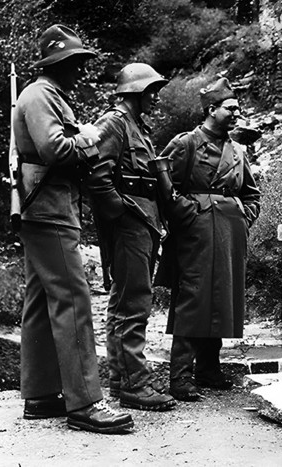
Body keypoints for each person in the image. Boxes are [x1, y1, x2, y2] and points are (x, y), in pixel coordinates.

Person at [12, 24, 133, 433]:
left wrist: (79, 135)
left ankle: (42, 394)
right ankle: (85, 403)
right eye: (75, 63)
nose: (80, 71)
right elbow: (53, 148)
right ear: (57, 63)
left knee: (41, 302)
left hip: (43, 208)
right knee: (73, 300)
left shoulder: (44, 94)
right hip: (49, 210)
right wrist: (91, 138)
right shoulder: (43, 94)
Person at [155, 77, 261, 401]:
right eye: (230, 108)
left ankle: (209, 370)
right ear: (211, 109)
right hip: (195, 235)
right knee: (194, 298)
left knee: (219, 299)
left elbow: (253, 194)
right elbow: (162, 183)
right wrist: (188, 214)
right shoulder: (186, 143)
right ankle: (181, 377)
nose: (236, 113)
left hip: (229, 236)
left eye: (237, 108)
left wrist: (243, 218)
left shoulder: (237, 151)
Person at [87, 63, 176, 411]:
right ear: (135, 93)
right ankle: (134, 384)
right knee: (131, 301)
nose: (155, 98)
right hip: (131, 223)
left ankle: (124, 379)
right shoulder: (115, 123)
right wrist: (121, 216)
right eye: (151, 91)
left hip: (144, 221)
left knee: (131, 299)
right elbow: (97, 177)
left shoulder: (139, 126)